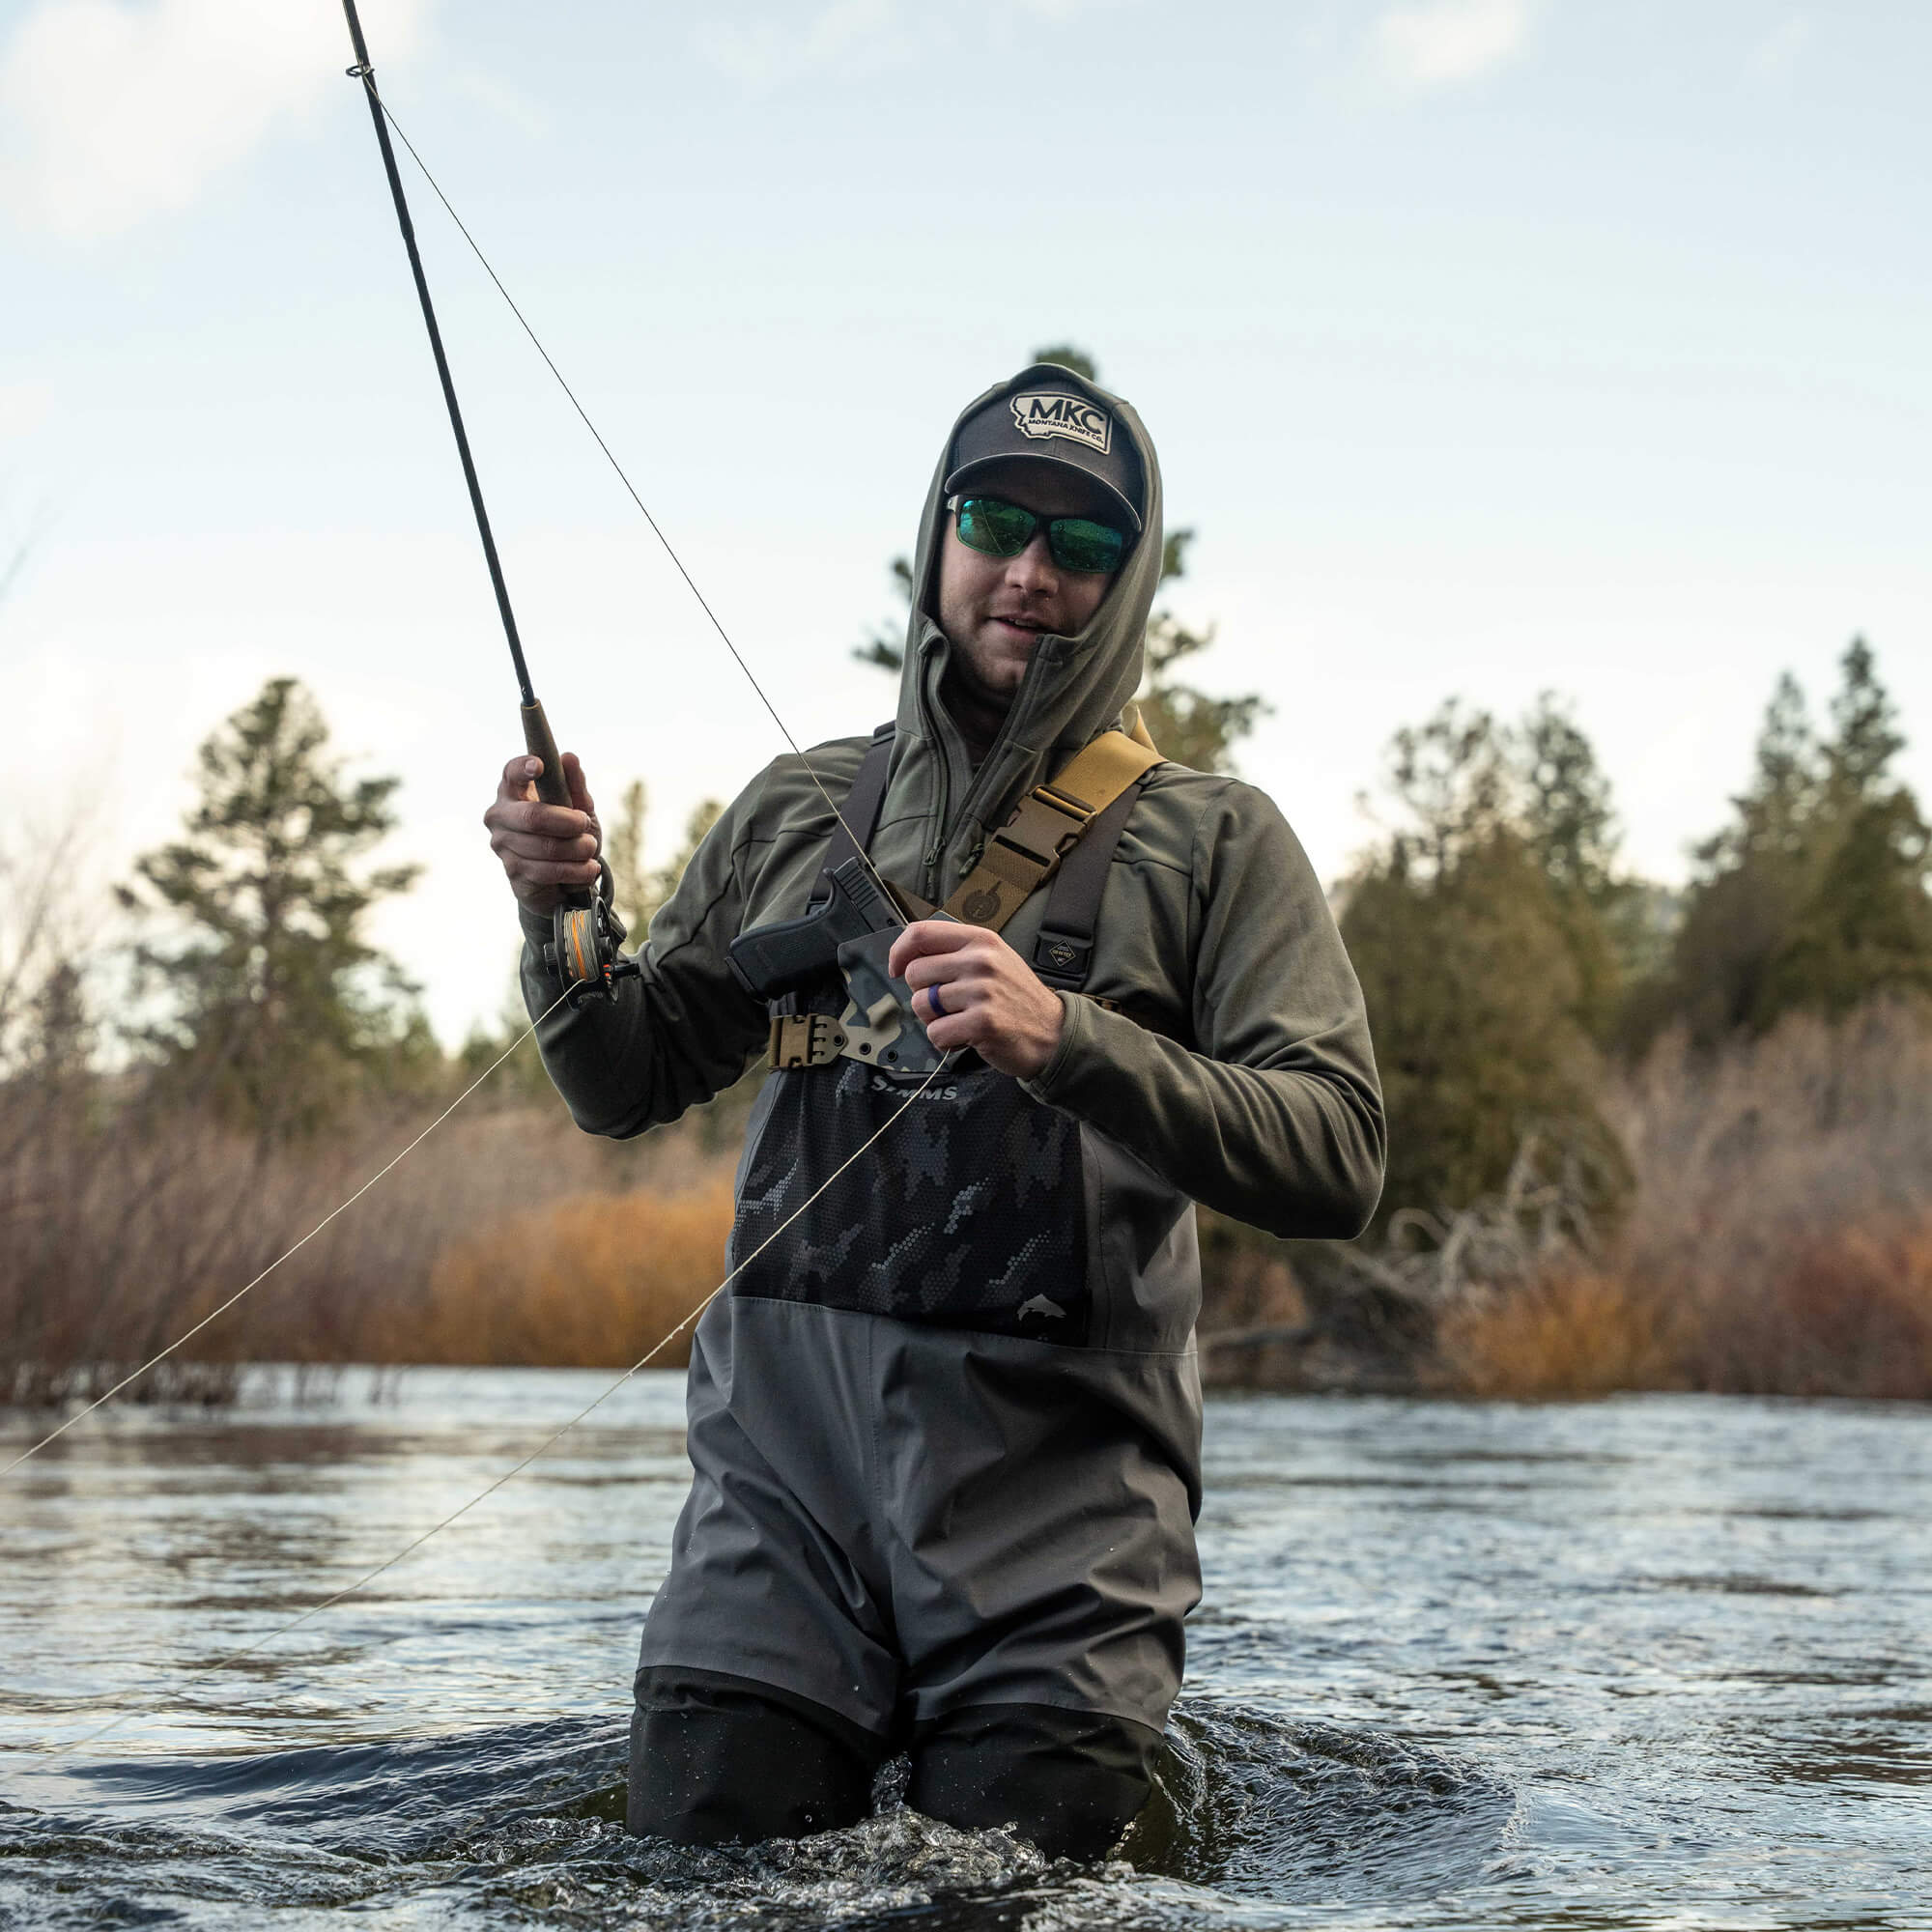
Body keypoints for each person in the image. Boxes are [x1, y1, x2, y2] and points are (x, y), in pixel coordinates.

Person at [483, 363, 1384, 1858]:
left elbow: (1338, 1154)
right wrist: (560, 918)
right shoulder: (793, 808)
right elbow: (622, 1080)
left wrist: (1068, 1035)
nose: (1030, 571)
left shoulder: (1221, 842)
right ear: (939, 539)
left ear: (1129, 577)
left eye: (1082, 546)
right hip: (775, 1526)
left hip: (1062, 1561)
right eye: (996, 522)